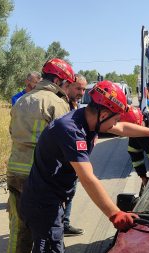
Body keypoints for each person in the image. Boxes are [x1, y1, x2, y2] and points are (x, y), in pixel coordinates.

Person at [19, 81, 149, 253]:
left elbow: (123, 129)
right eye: (115, 119)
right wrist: (115, 214)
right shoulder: (71, 130)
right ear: (103, 115)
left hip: (48, 201)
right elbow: (87, 178)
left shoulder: (90, 120)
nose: (116, 124)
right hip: (41, 205)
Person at [6, 58, 74, 253]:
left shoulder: (21, 101)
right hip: (39, 177)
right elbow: (66, 141)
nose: (67, 89)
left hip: (14, 172)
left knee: (19, 228)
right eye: (67, 84)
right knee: (47, 229)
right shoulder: (56, 103)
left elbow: (11, 133)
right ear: (57, 80)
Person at [62, 74, 88, 235]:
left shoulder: (75, 105)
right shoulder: (62, 104)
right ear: (68, 86)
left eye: (84, 89)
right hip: (63, 160)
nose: (81, 92)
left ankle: (64, 224)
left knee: (70, 193)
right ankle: (60, 226)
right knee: (64, 194)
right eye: (78, 88)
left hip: (72, 159)